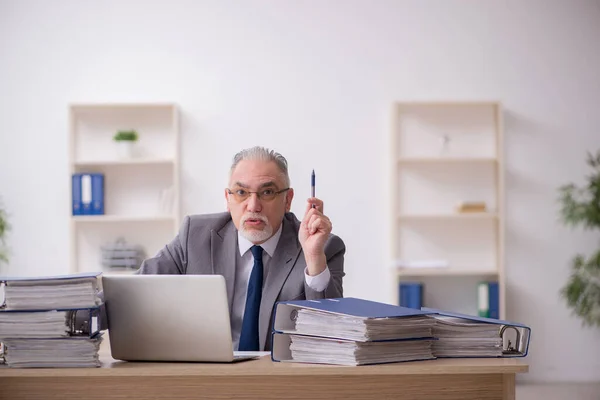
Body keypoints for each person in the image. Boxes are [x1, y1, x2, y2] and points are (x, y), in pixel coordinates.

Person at [136, 146, 345, 351]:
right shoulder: (194, 236)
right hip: (209, 375)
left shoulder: (322, 245)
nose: (253, 205)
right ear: (228, 199)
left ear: (287, 200)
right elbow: (134, 290)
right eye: (241, 192)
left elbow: (333, 332)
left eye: (268, 192)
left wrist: (313, 256)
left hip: (281, 378)